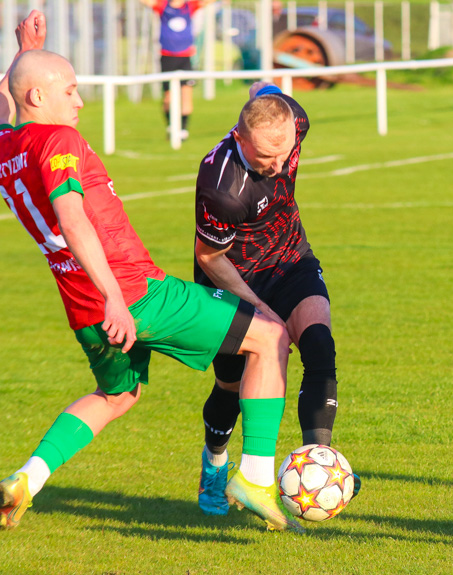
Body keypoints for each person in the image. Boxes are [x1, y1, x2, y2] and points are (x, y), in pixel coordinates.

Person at [0, 11, 302, 534]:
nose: (80, 101)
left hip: (82, 309)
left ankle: (26, 479)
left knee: (119, 394)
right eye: (70, 90)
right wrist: (116, 296)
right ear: (38, 98)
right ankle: (252, 478)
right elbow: (72, 216)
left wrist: (20, 53)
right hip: (134, 294)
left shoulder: (8, 147)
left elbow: (12, 102)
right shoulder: (60, 142)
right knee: (271, 336)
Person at [192, 81, 353, 516]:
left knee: (319, 345)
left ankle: (318, 466)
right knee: (230, 383)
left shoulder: (293, 121)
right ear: (239, 137)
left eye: (283, 154)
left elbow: (266, 90)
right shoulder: (222, 187)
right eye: (265, 157)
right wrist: (260, 310)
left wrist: (259, 92)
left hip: (289, 260)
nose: (279, 164)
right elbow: (208, 255)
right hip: (232, 277)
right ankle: (215, 465)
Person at [139, 0, 215, 140]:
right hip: (167, 57)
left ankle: (183, 129)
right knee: (168, 96)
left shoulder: (189, 6)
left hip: (185, 57)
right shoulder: (163, 6)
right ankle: (171, 125)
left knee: (186, 93)